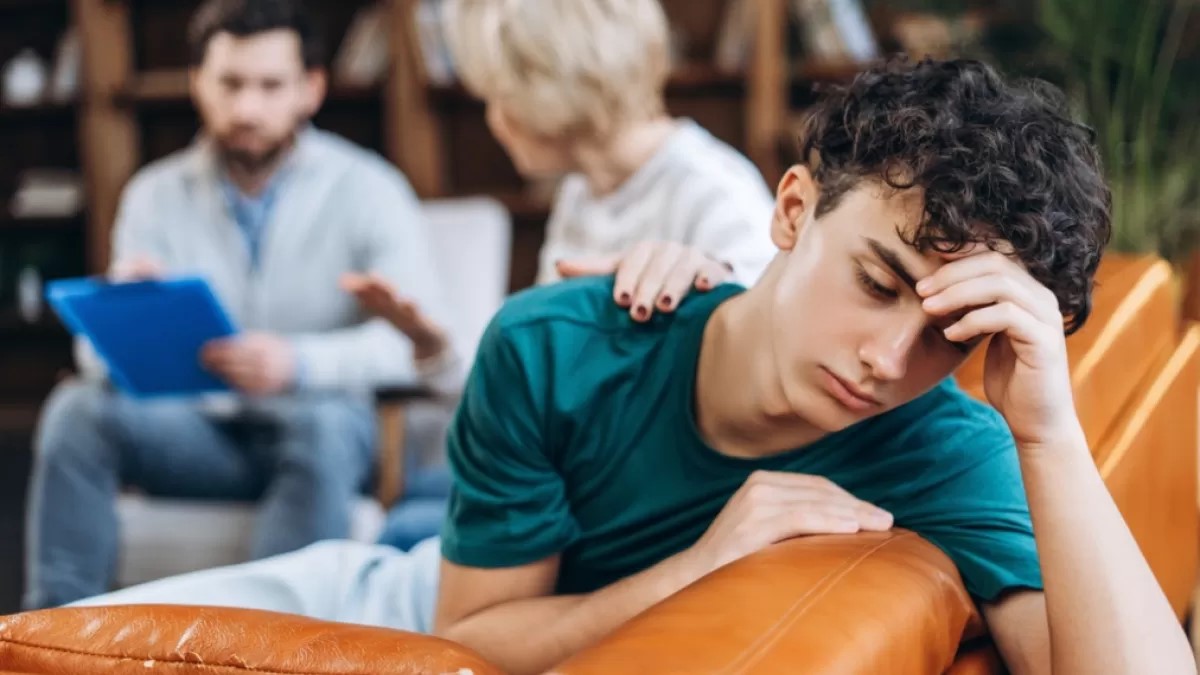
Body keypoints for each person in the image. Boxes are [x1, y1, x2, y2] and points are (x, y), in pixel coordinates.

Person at [76, 57, 1196, 675]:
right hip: (404, 590)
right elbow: (472, 634)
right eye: (877, 281)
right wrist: (704, 564)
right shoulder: (555, 343)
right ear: (792, 210)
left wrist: (1048, 431)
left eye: (949, 329)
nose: (888, 357)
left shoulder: (948, 446)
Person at [23, 0, 450, 610]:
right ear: (198, 82)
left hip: (322, 433)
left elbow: (424, 347)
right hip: (199, 435)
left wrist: (298, 363)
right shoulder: (152, 195)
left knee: (325, 426)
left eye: (270, 86)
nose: (247, 108)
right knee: (75, 410)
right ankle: (47, 634)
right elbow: (94, 361)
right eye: (229, 84)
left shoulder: (370, 190)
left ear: (311, 89)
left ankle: (272, 646)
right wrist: (128, 315)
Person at [343, 0, 777, 550]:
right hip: (583, 466)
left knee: (409, 528)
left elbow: (760, 371)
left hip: (649, 490)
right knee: (422, 496)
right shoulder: (580, 193)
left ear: (549, 92)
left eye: (497, 97)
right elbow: (535, 384)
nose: (492, 119)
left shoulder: (716, 193)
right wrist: (432, 347)